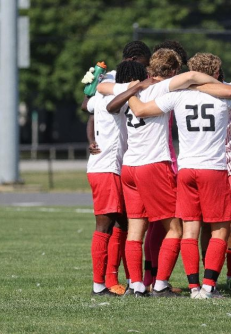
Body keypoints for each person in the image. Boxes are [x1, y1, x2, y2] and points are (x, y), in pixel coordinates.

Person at [128, 72, 231, 299]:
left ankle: (193, 288)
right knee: (221, 230)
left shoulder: (178, 96)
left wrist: (127, 90)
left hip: (186, 170)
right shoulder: (225, 97)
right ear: (215, 75)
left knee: (190, 232)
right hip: (213, 169)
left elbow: (141, 111)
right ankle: (209, 286)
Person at [103, 49, 225, 298]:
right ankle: (160, 284)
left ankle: (136, 285)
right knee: (175, 228)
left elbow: (103, 89)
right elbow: (192, 75)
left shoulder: (127, 88)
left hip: (130, 166)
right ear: (170, 72)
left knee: (136, 230)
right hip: (153, 164)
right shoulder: (163, 88)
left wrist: (130, 86)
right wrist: (219, 85)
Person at [87, 60, 149, 296]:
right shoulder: (121, 94)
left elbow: (88, 110)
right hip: (106, 168)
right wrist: (135, 88)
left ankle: (128, 280)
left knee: (124, 222)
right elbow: (112, 107)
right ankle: (99, 285)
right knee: (105, 225)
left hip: (108, 166)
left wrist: (90, 139)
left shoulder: (107, 93)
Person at [188, 53, 231, 291]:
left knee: (230, 223)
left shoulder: (230, 89)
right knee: (203, 224)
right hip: (204, 166)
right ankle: (208, 277)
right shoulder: (186, 93)